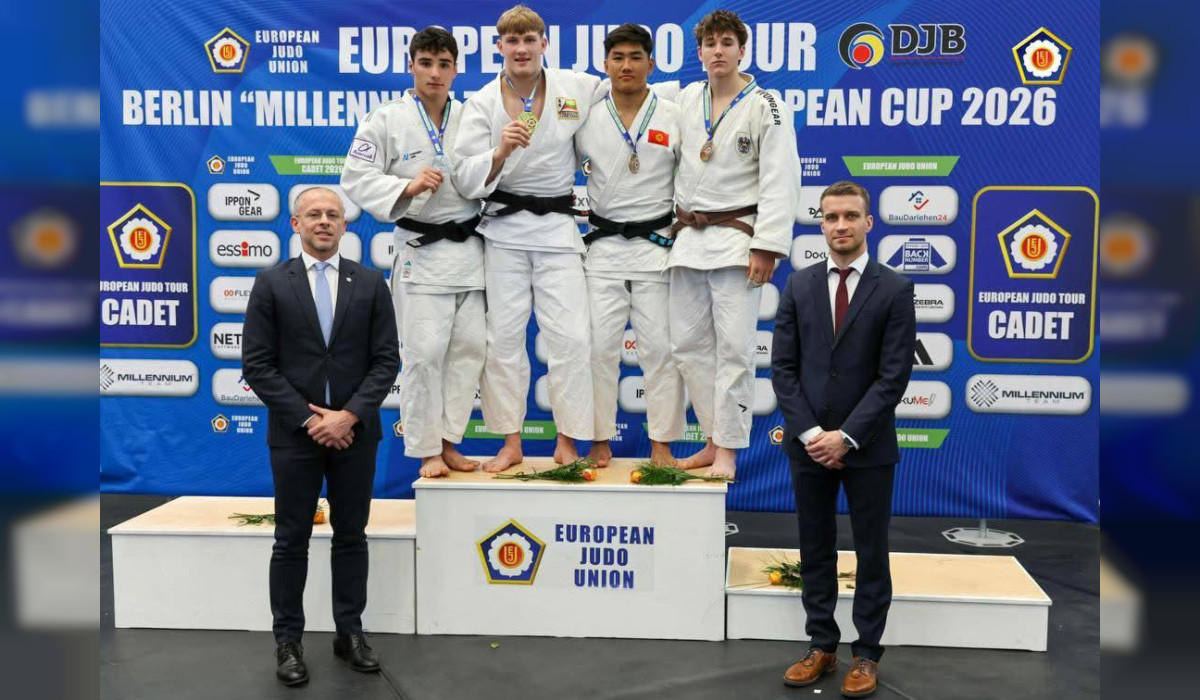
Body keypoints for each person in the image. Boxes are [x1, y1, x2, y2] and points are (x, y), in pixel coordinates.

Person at [241, 186, 400, 686]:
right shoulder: (271, 283)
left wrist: (347, 416)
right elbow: (257, 365)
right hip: (295, 435)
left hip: (356, 434)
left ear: (345, 225)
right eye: (314, 214)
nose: (324, 221)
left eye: (333, 214)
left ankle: (349, 633)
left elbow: (386, 361)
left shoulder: (370, 283)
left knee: (352, 536)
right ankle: (287, 641)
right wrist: (312, 421)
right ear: (296, 224)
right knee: (291, 539)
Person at [770, 181, 916, 698]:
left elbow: (893, 377)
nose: (841, 225)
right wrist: (814, 434)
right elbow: (783, 369)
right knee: (815, 547)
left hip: (868, 447)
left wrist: (847, 437)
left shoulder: (894, 289)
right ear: (821, 224)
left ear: (868, 222)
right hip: (808, 445)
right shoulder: (799, 284)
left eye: (850, 216)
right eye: (831, 217)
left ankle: (867, 653)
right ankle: (821, 645)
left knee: (872, 551)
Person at [452, 4, 603, 472]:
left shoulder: (576, 86)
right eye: (512, 41)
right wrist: (499, 151)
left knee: (572, 338)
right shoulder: (482, 102)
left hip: (557, 228)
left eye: (529, 40)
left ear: (544, 43)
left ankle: (568, 440)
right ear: (499, 46)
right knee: (503, 340)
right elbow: (464, 177)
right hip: (504, 230)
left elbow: (627, 93)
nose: (521, 49)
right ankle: (510, 442)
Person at [341, 27, 485, 479]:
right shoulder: (385, 119)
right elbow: (355, 176)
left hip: (471, 249)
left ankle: (450, 442)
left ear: (456, 69)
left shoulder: (474, 116)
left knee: (469, 351)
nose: (435, 73)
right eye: (426, 63)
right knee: (423, 354)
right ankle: (426, 450)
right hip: (421, 251)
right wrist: (407, 186)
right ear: (411, 66)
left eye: (444, 65)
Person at [669, 9, 800, 478]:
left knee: (734, 351)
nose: (718, 51)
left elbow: (781, 178)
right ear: (700, 52)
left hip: (737, 242)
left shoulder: (767, 104)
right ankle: (711, 437)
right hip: (687, 241)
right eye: (711, 44)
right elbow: (629, 92)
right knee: (687, 347)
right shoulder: (685, 98)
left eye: (727, 43)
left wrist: (767, 245)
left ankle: (727, 450)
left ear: (742, 51)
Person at [575, 24, 685, 467]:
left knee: (660, 351)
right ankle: (598, 440)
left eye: (635, 57)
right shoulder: (587, 117)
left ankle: (662, 445)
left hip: (655, 247)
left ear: (650, 63)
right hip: (603, 249)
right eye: (617, 57)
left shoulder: (672, 114)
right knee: (597, 351)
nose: (626, 65)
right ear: (605, 65)